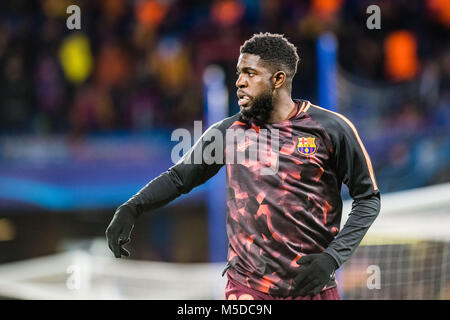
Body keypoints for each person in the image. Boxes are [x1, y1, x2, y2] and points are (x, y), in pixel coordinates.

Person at [105, 32, 380, 300]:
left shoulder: (331, 129)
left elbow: (368, 199)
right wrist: (132, 207)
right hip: (247, 290)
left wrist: (332, 258)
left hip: (314, 288)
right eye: (239, 73)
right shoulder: (228, 132)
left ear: (278, 79)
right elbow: (179, 178)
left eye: (250, 74)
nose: (239, 82)